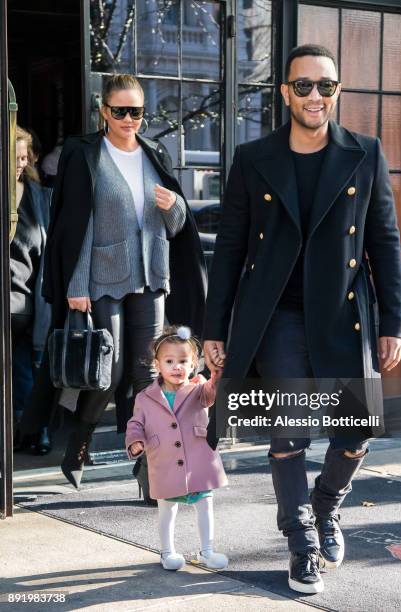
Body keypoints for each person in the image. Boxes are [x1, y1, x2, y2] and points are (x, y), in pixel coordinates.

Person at [203, 44, 401, 594]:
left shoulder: (365, 153)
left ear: (337, 90)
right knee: (289, 431)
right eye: (303, 86)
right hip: (278, 316)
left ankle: (325, 507)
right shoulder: (254, 157)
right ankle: (301, 543)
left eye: (326, 85)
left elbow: (383, 243)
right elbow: (229, 249)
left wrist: (396, 321)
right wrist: (214, 329)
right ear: (284, 92)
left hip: (344, 311)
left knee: (354, 432)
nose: (315, 95)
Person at [21, 74, 207, 490]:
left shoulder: (155, 153)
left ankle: (149, 473)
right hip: (101, 278)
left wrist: (176, 204)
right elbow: (73, 222)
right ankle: (79, 444)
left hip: (151, 277)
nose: (128, 119)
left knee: (147, 375)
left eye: (136, 111)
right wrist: (76, 282)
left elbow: (177, 227)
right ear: (104, 111)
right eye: (120, 110)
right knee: (109, 370)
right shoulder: (84, 153)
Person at [126, 325, 228, 571]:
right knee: (167, 509)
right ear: (157, 365)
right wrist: (135, 440)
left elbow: (211, 394)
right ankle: (167, 552)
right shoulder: (145, 397)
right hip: (166, 460)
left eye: (183, 361)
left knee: (205, 504)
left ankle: (207, 551)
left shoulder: (198, 388)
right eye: (169, 361)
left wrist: (215, 376)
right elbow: (135, 423)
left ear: (193, 364)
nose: (176, 366)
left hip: (198, 459)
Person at [11, 126, 51, 454]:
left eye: (25, 157)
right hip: (13, 300)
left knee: (26, 367)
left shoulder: (37, 196)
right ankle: (30, 431)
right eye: (16, 157)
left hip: (27, 300)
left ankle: (32, 430)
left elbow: (43, 249)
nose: (22, 163)